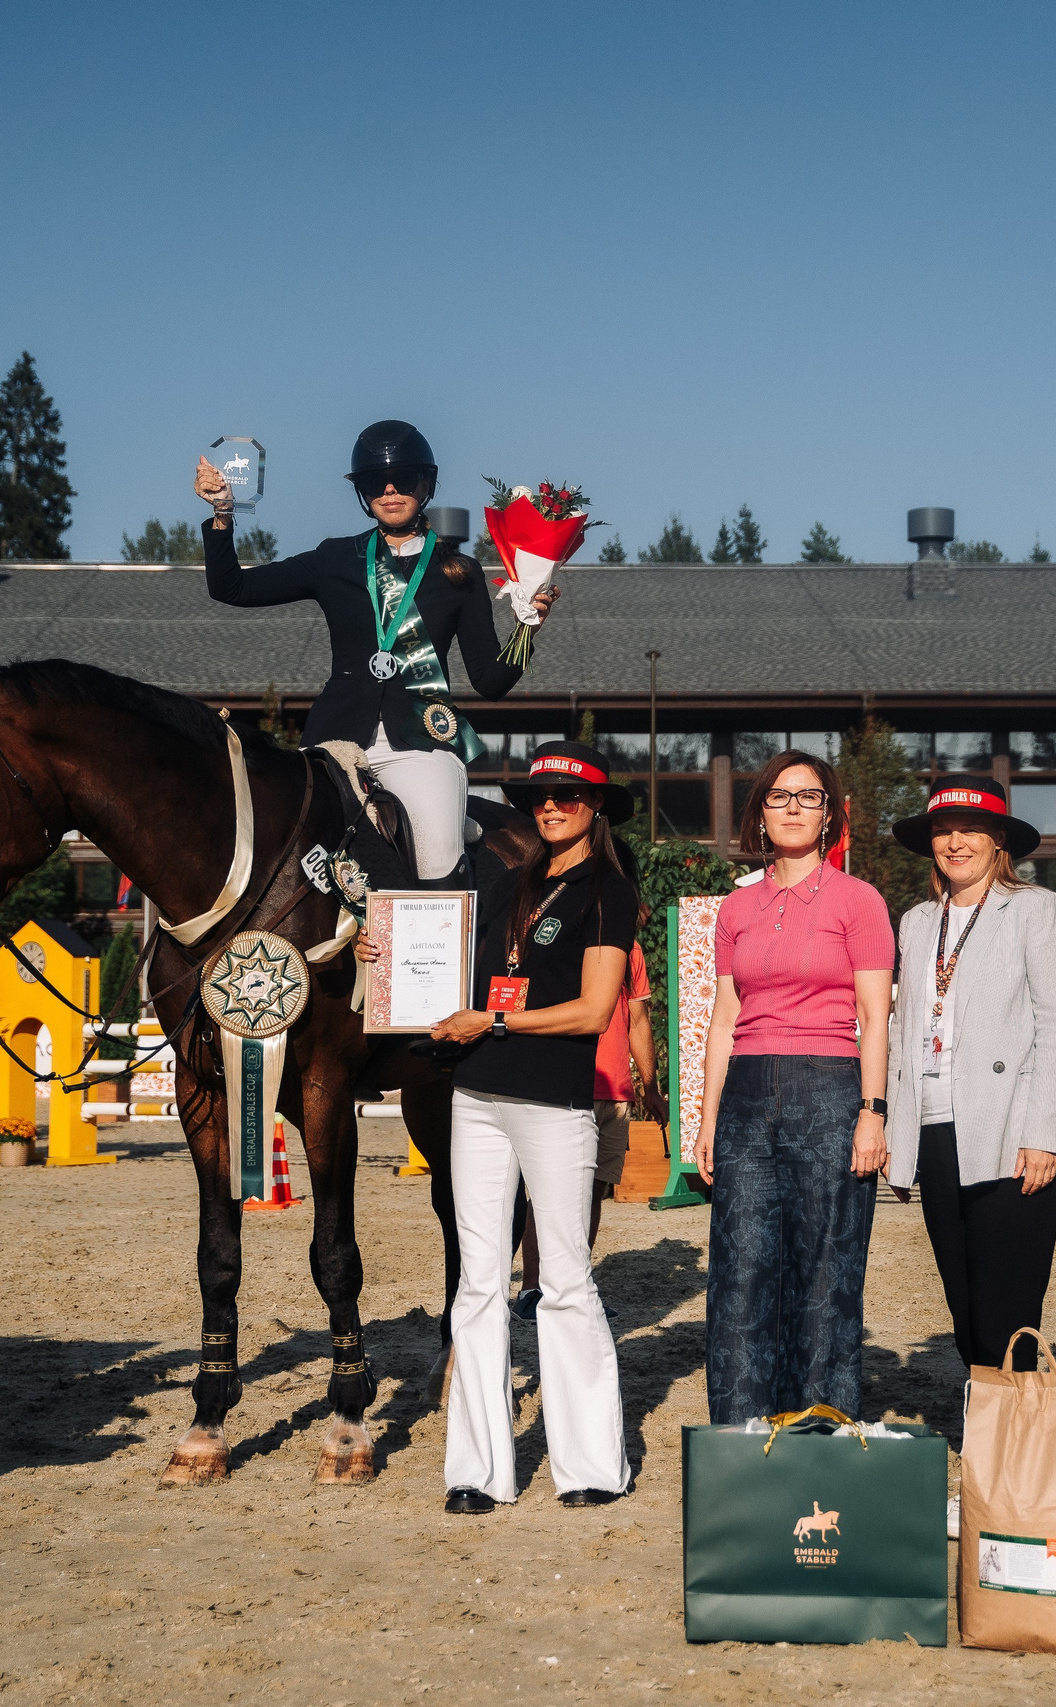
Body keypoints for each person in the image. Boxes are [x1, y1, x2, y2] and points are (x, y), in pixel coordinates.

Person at [361, 740, 638, 1512]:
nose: (550, 806)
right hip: (476, 1097)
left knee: (564, 1280)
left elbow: (594, 1009)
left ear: (597, 806)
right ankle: (478, 1472)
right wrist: (381, 952)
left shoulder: (609, 890)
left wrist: (497, 1021)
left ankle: (590, 1466)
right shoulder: (506, 884)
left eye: (567, 796)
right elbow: (453, 968)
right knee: (479, 1283)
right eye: (539, 796)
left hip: (553, 1102)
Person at [194, 420, 558, 881]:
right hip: (335, 741)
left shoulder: (459, 572)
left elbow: (490, 682)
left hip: (421, 745)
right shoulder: (334, 558)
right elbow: (232, 588)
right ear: (362, 493)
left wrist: (528, 629)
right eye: (374, 482)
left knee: (437, 856)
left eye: (402, 479)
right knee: (287, 860)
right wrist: (223, 513)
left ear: (425, 485)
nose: (389, 490)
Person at [693, 752, 895, 1424]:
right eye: (779, 795)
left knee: (825, 1270)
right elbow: (724, 1020)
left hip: (830, 1093)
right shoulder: (736, 908)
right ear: (759, 812)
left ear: (829, 814)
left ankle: (820, 1433)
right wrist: (707, 1120)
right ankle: (739, 1437)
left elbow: (874, 1017)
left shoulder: (859, 901)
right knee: (740, 1269)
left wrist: (872, 1112)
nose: (793, 807)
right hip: (747, 1098)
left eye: (809, 797)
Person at [882, 776, 1056, 1381]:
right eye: (943, 831)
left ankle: (1017, 1428)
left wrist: (1044, 1132)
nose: (955, 842)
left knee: (1007, 1309)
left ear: (999, 841)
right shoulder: (916, 921)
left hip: (1012, 1130)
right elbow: (903, 1030)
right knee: (964, 1308)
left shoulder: (1036, 909)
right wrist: (898, 1139)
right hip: (935, 1127)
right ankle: (990, 1424)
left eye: (970, 830)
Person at [514, 909, 654, 1319]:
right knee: (546, 1193)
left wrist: (651, 1087)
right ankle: (531, 1288)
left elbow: (638, 1021)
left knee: (592, 1193)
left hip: (614, 1090)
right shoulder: (558, 942)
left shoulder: (630, 950)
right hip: (563, 1084)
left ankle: (575, 1284)